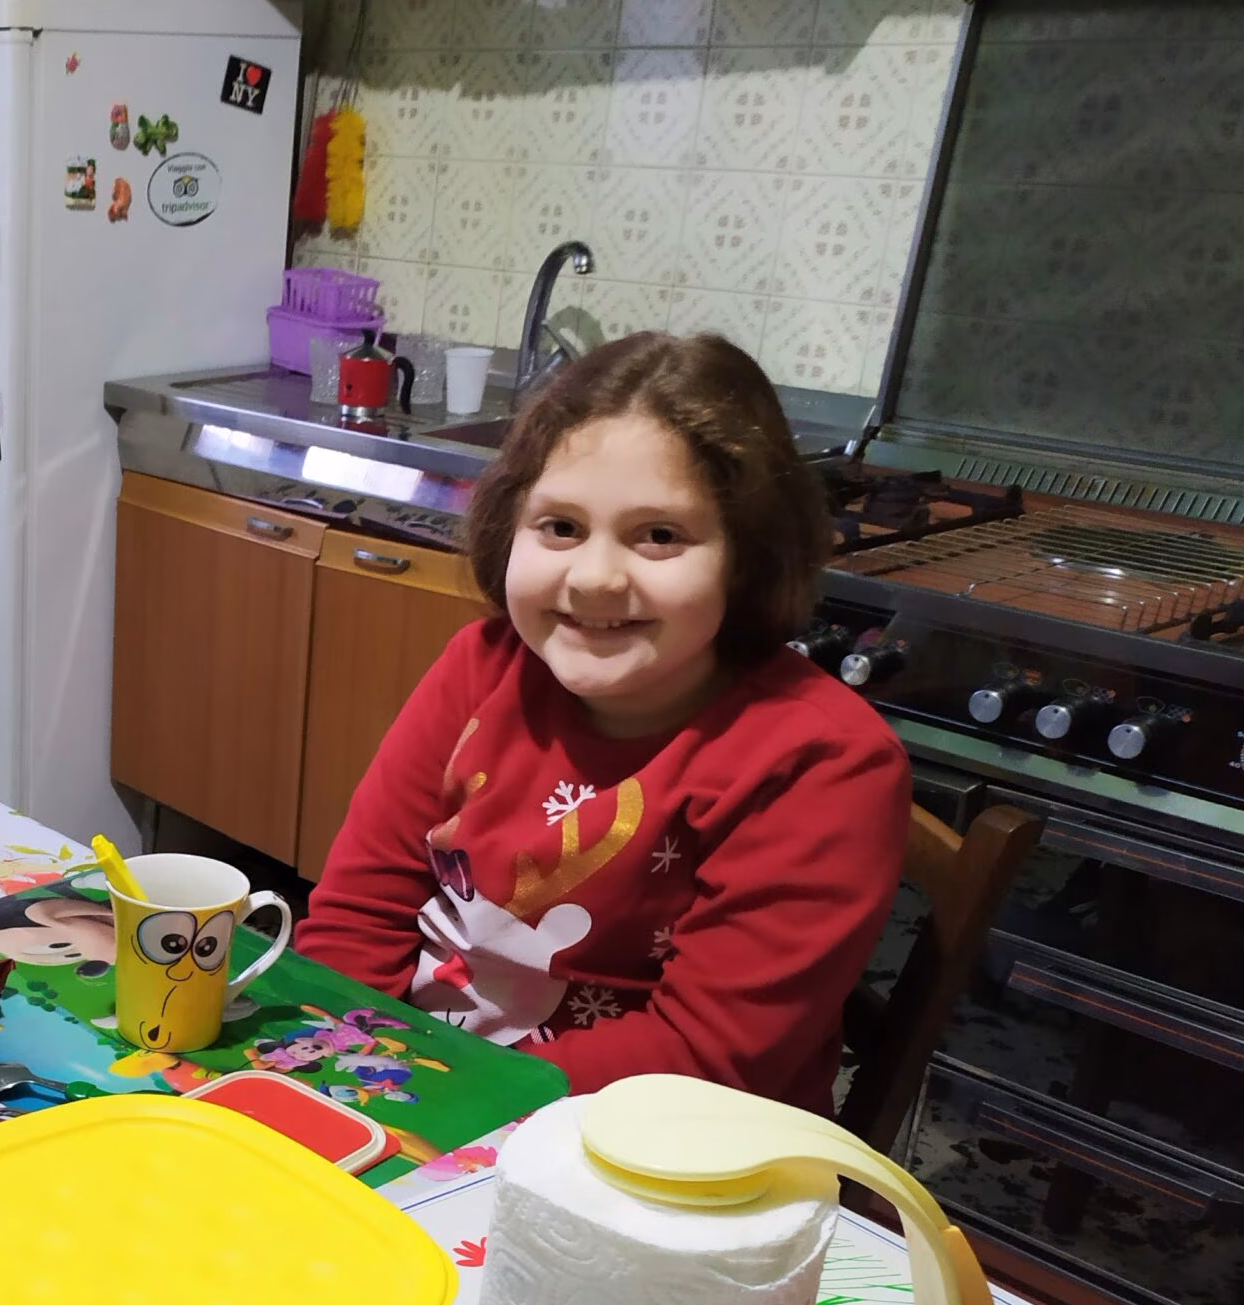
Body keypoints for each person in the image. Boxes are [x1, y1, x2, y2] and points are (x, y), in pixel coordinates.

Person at [295, 333, 909, 1115]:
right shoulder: (481, 666)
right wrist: (361, 1073)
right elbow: (358, 918)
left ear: (747, 559)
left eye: (660, 536)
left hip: (659, 1156)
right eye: (560, 527)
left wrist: (438, 1092)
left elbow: (706, 1057)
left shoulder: (823, 763)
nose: (594, 578)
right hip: (419, 1100)